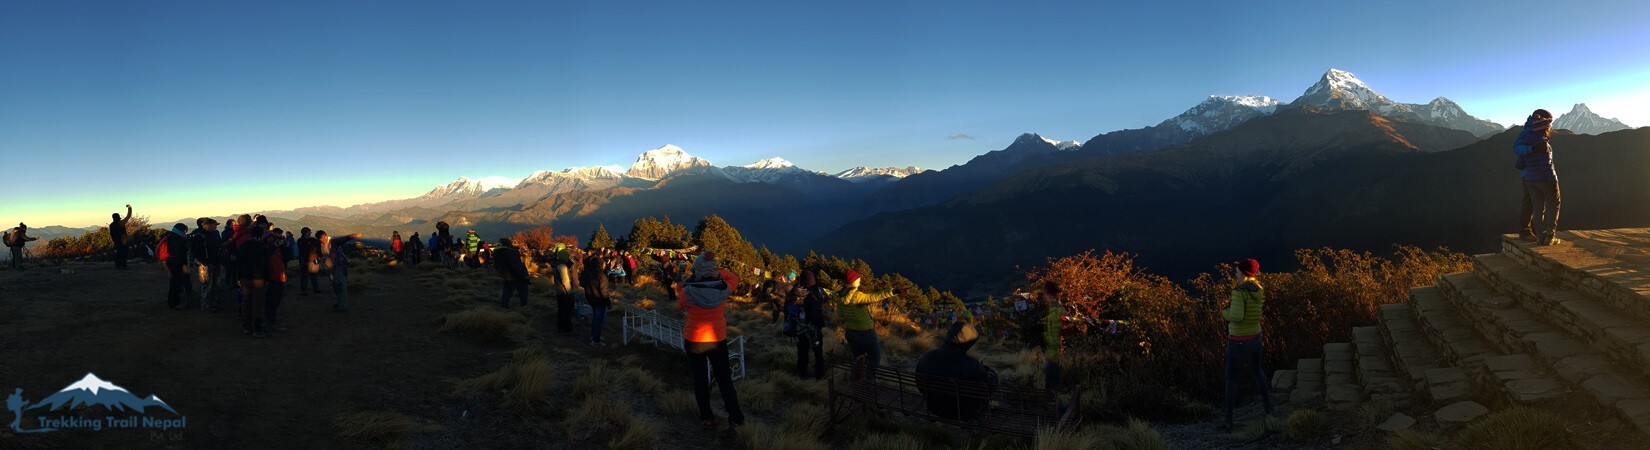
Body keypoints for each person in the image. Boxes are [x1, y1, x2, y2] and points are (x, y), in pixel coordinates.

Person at [675, 252, 744, 433]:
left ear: (698, 270)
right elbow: (734, 277)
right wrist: (718, 273)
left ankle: (707, 418)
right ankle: (736, 419)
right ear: (712, 270)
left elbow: (679, 304)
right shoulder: (723, 288)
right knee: (724, 380)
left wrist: (680, 286)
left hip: (694, 340)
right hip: (717, 339)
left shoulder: (688, 291)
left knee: (700, 380)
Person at [1222, 258, 1273, 432]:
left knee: (1231, 378)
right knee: (1258, 371)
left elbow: (1236, 316)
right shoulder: (1258, 290)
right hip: (1255, 337)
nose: (1235, 272)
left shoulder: (1239, 292)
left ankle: (1228, 420)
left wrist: (1224, 312)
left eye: (1237, 270)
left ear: (1243, 273)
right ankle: (1269, 409)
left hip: (1238, 341)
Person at [915, 321, 999, 421]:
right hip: (964, 413)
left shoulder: (927, 357)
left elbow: (920, 386)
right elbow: (991, 386)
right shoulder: (972, 366)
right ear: (968, 344)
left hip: (935, 408)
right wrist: (989, 371)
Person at [834, 269, 898, 380]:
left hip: (850, 332)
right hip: (865, 332)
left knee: (858, 358)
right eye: (858, 279)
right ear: (853, 282)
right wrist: (893, 291)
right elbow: (875, 297)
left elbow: (840, 314)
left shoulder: (840, 296)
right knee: (875, 358)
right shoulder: (857, 295)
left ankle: (858, 380)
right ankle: (869, 380)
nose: (860, 280)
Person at [1515, 108, 1562, 246]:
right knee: (1552, 205)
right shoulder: (1539, 142)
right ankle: (1546, 235)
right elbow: (1546, 165)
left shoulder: (1529, 136)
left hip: (1529, 177)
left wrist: (1527, 156)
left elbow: (1519, 163)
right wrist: (1553, 181)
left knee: (1537, 206)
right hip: (1543, 179)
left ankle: (1539, 235)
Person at [235, 220, 272, 338]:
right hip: (258, 279)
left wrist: (239, 277)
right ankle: (258, 329)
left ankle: (246, 327)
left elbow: (238, 263)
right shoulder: (262, 247)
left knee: (246, 302)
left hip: (245, 278)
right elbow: (266, 265)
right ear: (261, 235)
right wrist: (267, 278)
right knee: (258, 304)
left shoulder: (243, 246)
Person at [789, 270, 828, 379]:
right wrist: (820, 324)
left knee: (802, 353)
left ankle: (802, 375)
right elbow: (815, 314)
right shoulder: (815, 294)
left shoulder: (794, 292)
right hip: (813, 330)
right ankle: (819, 375)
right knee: (818, 353)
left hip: (799, 328)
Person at [188, 218, 225, 312]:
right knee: (206, 285)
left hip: (215, 262)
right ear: (207, 225)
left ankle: (212, 302)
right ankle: (206, 305)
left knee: (215, 284)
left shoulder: (214, 233)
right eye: (214, 224)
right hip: (205, 264)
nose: (216, 226)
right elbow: (196, 251)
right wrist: (204, 262)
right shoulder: (199, 235)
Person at [580, 248, 613, 346]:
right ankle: (595, 340)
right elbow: (604, 292)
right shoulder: (601, 276)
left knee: (595, 318)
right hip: (599, 300)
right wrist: (608, 303)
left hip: (590, 298)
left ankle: (594, 336)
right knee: (598, 320)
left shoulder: (586, 272)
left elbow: (581, 283)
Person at [324, 231, 361, 312]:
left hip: (339, 267)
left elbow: (342, 240)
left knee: (341, 286)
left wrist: (352, 236)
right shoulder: (326, 246)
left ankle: (342, 306)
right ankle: (340, 302)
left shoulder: (332, 242)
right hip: (335, 268)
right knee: (337, 286)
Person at [1039, 281, 1065, 393]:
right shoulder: (1053, 308)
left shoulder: (1056, 307)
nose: (1043, 296)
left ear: (1049, 293)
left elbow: (1067, 316)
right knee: (1051, 385)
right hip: (1051, 351)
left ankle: (1057, 407)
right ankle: (1056, 405)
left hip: (1053, 352)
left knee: (1051, 385)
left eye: (1044, 293)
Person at [159, 223, 192, 309]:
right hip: (177, 263)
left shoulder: (171, 236)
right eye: (184, 231)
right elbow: (181, 250)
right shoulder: (176, 239)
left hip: (174, 262)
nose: (185, 233)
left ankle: (175, 300)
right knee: (175, 282)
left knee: (175, 281)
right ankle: (174, 303)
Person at [264, 226, 290, 330]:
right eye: (270, 238)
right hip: (272, 278)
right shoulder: (267, 249)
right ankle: (271, 320)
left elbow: (286, 258)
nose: (273, 240)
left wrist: (286, 247)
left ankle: (272, 318)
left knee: (276, 299)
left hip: (278, 276)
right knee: (272, 300)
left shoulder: (278, 249)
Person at [494, 238, 531, 308]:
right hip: (515, 275)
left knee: (507, 290)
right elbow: (517, 265)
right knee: (523, 289)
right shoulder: (512, 252)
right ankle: (524, 305)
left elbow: (495, 265)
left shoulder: (497, 252)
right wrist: (524, 275)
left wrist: (503, 274)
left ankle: (504, 305)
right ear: (509, 244)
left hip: (505, 275)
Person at [553, 243, 577, 335]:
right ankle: (568, 330)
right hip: (564, 292)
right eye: (567, 256)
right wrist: (570, 292)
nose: (569, 258)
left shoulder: (556, 265)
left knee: (561, 310)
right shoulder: (562, 267)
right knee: (567, 312)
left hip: (559, 291)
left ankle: (560, 328)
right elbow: (565, 281)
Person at [296, 228, 322, 295]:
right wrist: (311, 248)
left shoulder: (312, 239)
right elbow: (303, 250)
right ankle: (304, 290)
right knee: (305, 275)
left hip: (314, 259)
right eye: (309, 232)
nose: (310, 233)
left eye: (310, 232)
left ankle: (316, 288)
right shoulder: (300, 240)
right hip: (306, 260)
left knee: (314, 275)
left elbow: (318, 245)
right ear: (304, 232)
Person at [110, 204, 133, 269]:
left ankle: (117, 265)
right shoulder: (121, 223)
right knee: (124, 253)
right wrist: (129, 207)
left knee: (118, 253)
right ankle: (123, 265)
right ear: (118, 217)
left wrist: (114, 241)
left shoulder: (111, 225)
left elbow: (111, 234)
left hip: (116, 241)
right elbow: (128, 216)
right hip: (123, 241)